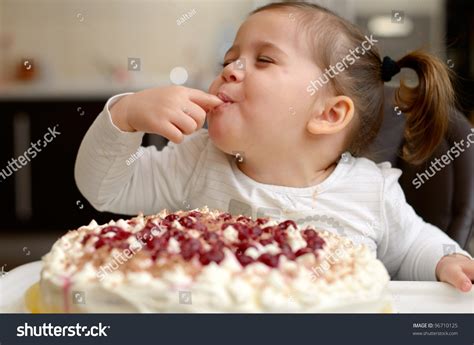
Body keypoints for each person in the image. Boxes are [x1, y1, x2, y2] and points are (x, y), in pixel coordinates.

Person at [75, 2, 473, 291]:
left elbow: (414, 245)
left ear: (329, 114)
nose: (230, 69)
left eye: (263, 60)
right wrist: (124, 115)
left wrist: (447, 259)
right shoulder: (197, 162)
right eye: (227, 60)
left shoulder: (371, 192)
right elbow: (105, 187)